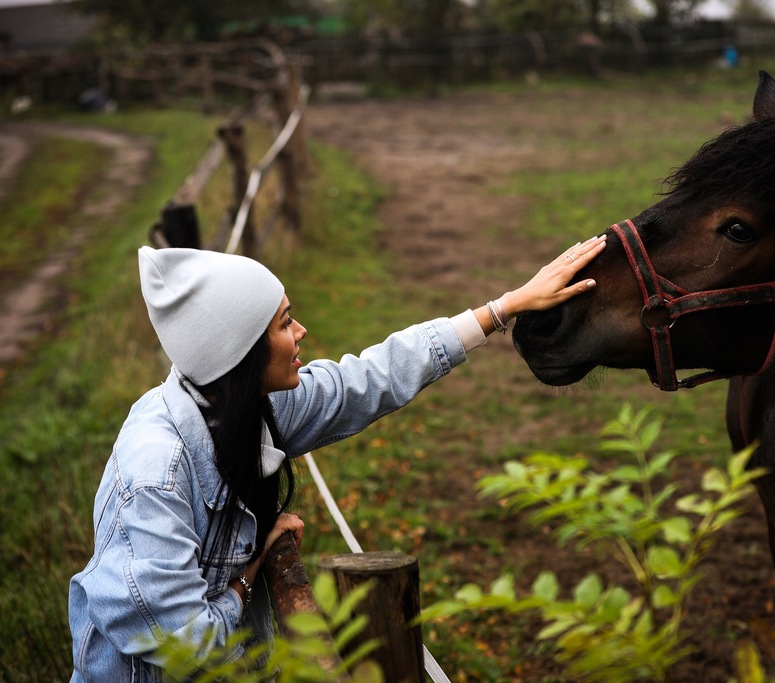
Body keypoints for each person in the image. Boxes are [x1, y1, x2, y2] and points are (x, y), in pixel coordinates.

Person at [68, 234, 607, 681]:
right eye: (283, 323)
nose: (300, 332)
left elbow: (367, 380)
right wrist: (252, 571)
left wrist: (503, 308)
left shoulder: (240, 403)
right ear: (241, 352)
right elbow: (193, 645)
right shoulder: (155, 475)